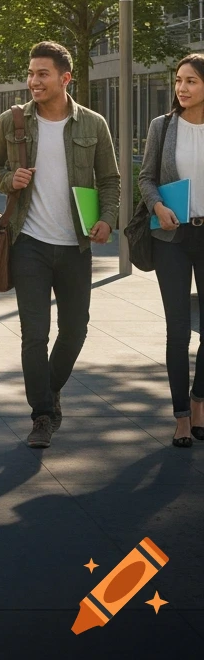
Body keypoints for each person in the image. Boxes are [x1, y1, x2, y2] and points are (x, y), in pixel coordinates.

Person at [0, 41, 119, 449]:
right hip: (29, 243)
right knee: (34, 334)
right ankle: (41, 415)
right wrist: (10, 180)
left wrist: (107, 219)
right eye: (30, 73)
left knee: (75, 330)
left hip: (76, 245)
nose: (33, 81)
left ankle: (50, 388)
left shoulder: (93, 124)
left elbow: (109, 180)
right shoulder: (13, 122)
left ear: (65, 78)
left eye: (42, 74)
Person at [139, 53, 204, 448]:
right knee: (178, 329)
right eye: (178, 80)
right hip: (172, 237)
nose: (181, 88)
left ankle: (199, 401)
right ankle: (181, 415)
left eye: (191, 81)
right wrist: (158, 206)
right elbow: (146, 178)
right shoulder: (163, 127)